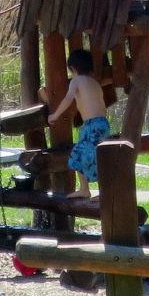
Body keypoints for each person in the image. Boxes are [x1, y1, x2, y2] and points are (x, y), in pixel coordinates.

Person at [46, 46, 110, 196]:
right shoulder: (94, 83)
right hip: (100, 123)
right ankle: (84, 189)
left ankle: (102, 191)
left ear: (73, 68)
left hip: (92, 125)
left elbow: (68, 98)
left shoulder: (76, 81)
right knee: (79, 154)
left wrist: (55, 115)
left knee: (91, 155)